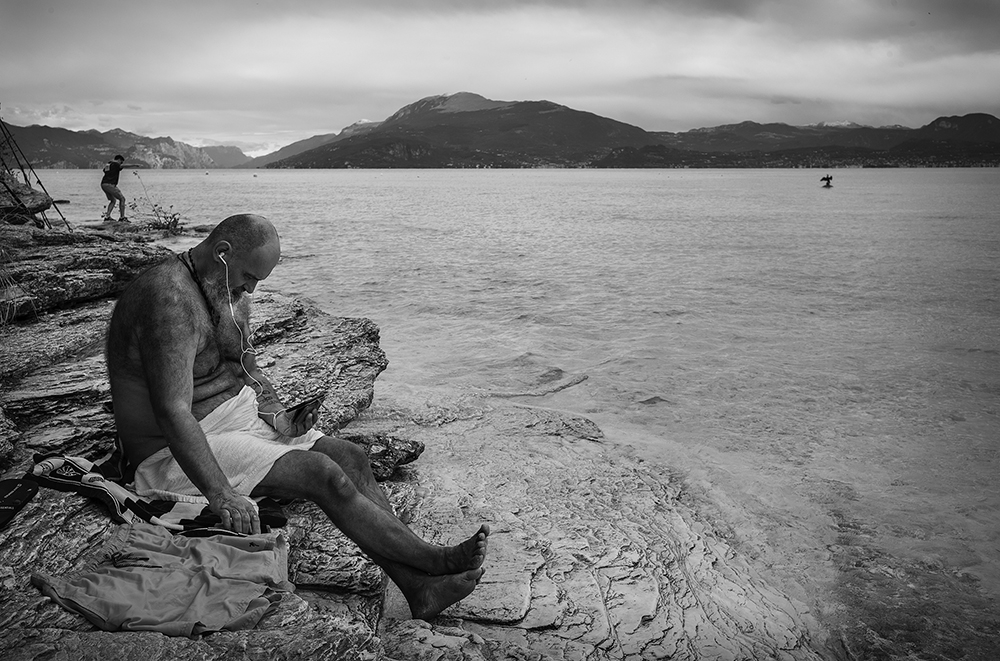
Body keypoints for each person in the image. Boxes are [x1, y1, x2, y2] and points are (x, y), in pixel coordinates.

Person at [105, 213, 489, 619]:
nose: (251, 289)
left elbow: (247, 372)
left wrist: (279, 417)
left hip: (236, 420)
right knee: (322, 473)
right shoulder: (168, 300)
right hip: (171, 451)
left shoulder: (227, 290)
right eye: (249, 276)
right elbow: (172, 410)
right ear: (222, 253)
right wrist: (221, 493)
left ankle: (419, 589)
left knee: (351, 457)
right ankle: (434, 559)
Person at [100, 154, 133, 221]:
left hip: (103, 184)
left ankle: (107, 217)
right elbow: (122, 166)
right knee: (122, 199)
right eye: (121, 162)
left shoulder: (108, 164)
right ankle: (122, 217)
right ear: (119, 160)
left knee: (113, 200)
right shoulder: (115, 164)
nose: (121, 164)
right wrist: (134, 165)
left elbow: (104, 170)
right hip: (110, 184)